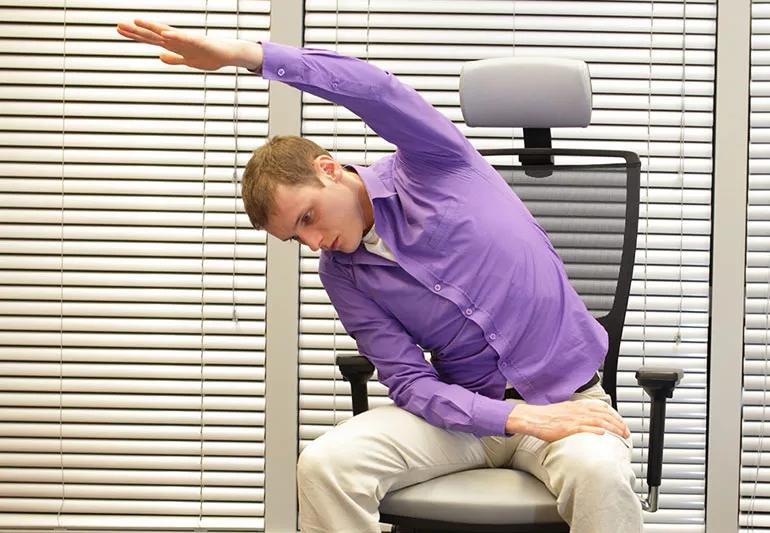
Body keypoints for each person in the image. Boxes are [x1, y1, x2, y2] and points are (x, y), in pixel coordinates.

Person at [117, 19, 642, 533]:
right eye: (295, 238)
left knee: (600, 472)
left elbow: (372, 89)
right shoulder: (343, 274)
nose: (313, 242)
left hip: (565, 402)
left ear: (328, 169)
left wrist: (244, 56)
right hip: (463, 417)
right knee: (325, 466)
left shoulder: (436, 164)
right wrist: (513, 419)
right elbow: (411, 382)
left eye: (307, 218)